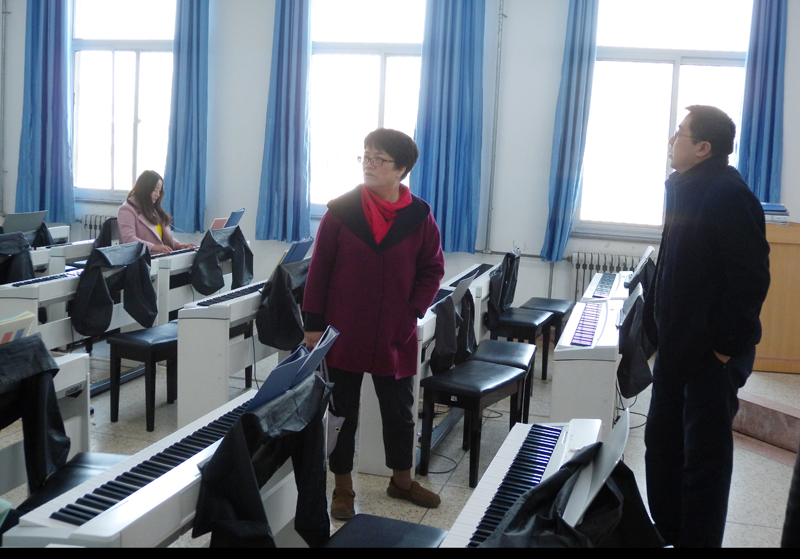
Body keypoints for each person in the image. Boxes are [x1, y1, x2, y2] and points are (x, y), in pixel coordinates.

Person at [643, 105, 771, 547]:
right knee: (662, 448)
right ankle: (669, 534)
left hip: (708, 359)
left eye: (680, 133)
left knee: (703, 464)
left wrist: (723, 350)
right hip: (677, 350)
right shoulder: (686, 187)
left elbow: (750, 280)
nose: (671, 141)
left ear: (703, 148)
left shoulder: (727, 194)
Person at [302, 128, 445, 520]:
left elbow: (432, 269)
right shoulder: (341, 211)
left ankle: (401, 480)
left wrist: (413, 311)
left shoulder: (419, 215)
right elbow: (319, 270)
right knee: (341, 412)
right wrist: (313, 324)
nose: (369, 164)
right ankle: (342, 486)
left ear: (401, 169)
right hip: (343, 328)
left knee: (399, 411)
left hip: (395, 330)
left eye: (379, 158)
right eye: (366, 156)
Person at [117, 170, 196, 254]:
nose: (158, 195)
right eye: (155, 190)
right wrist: (153, 247)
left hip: (159, 256)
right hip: (142, 258)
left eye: (159, 190)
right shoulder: (127, 209)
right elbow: (128, 239)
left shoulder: (152, 208)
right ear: (144, 189)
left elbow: (159, 237)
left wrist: (177, 245)